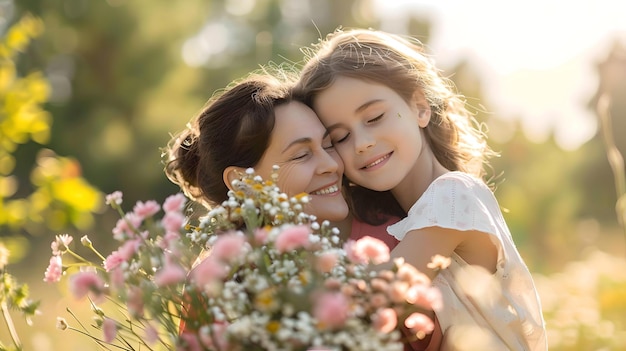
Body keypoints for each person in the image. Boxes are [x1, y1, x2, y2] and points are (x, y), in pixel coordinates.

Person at [295, 28, 548, 350]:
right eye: (340, 138)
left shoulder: (454, 195)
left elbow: (373, 302)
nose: (363, 143)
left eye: (374, 117)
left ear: (419, 107)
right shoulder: (397, 223)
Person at [164, 70, 441, 349]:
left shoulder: (397, 237)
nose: (331, 165)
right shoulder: (216, 280)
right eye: (301, 155)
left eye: (329, 144)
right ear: (243, 182)